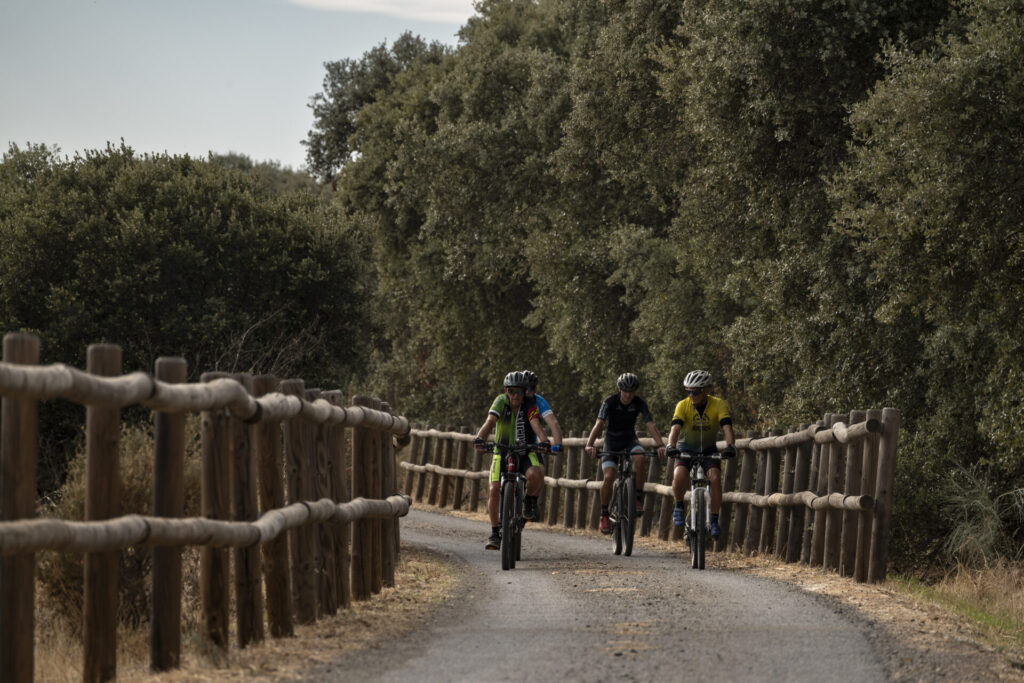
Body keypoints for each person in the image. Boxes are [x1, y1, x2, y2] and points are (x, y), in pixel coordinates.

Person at [473, 371, 551, 550]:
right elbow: (490, 421)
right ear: (506, 391)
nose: (515, 395)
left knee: (536, 473)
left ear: (525, 392)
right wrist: (479, 438)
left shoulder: (530, 404)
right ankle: (494, 532)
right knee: (493, 489)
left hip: (525, 451)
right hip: (502, 451)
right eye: (511, 391)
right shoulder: (501, 401)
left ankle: (529, 501)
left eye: (519, 391)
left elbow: (535, 425)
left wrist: (545, 441)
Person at [584, 372, 667, 535]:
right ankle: (605, 514)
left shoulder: (639, 403)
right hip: (611, 441)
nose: (628, 394)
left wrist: (660, 445)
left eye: (632, 391)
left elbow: (650, 424)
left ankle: (636, 497)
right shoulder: (609, 401)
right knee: (608, 477)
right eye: (625, 390)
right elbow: (599, 424)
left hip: (630, 440)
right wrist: (589, 444)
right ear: (619, 389)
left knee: (640, 457)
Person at [666, 370, 736, 540]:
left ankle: (713, 520)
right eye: (688, 391)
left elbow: (727, 427)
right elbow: (675, 428)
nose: (691, 395)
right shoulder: (683, 405)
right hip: (686, 447)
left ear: (706, 390)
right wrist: (671, 445)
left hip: (708, 449)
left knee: (715, 478)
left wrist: (730, 445)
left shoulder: (718, 404)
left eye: (695, 391)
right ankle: (679, 505)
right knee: (679, 475)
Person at [522, 369, 564, 461]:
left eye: (531, 388)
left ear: (535, 389)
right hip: (511, 444)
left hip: (531, 446)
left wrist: (558, 445)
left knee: (539, 472)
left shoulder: (539, 401)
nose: (527, 392)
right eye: (525, 388)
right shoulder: (514, 400)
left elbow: (553, 423)